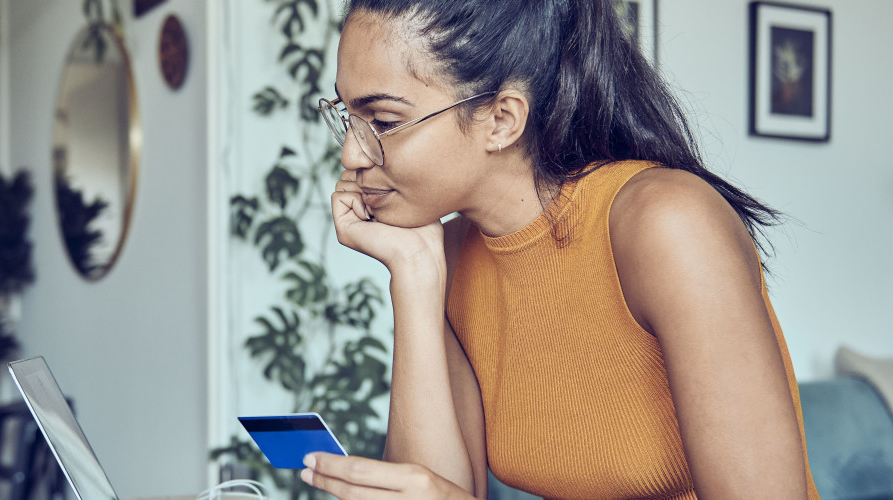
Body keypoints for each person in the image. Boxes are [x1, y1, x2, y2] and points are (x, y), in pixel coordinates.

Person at [301, 0, 820, 498]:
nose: (351, 153)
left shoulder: (667, 223)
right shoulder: (453, 254)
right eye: (347, 117)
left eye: (385, 122)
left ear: (502, 119)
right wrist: (414, 275)